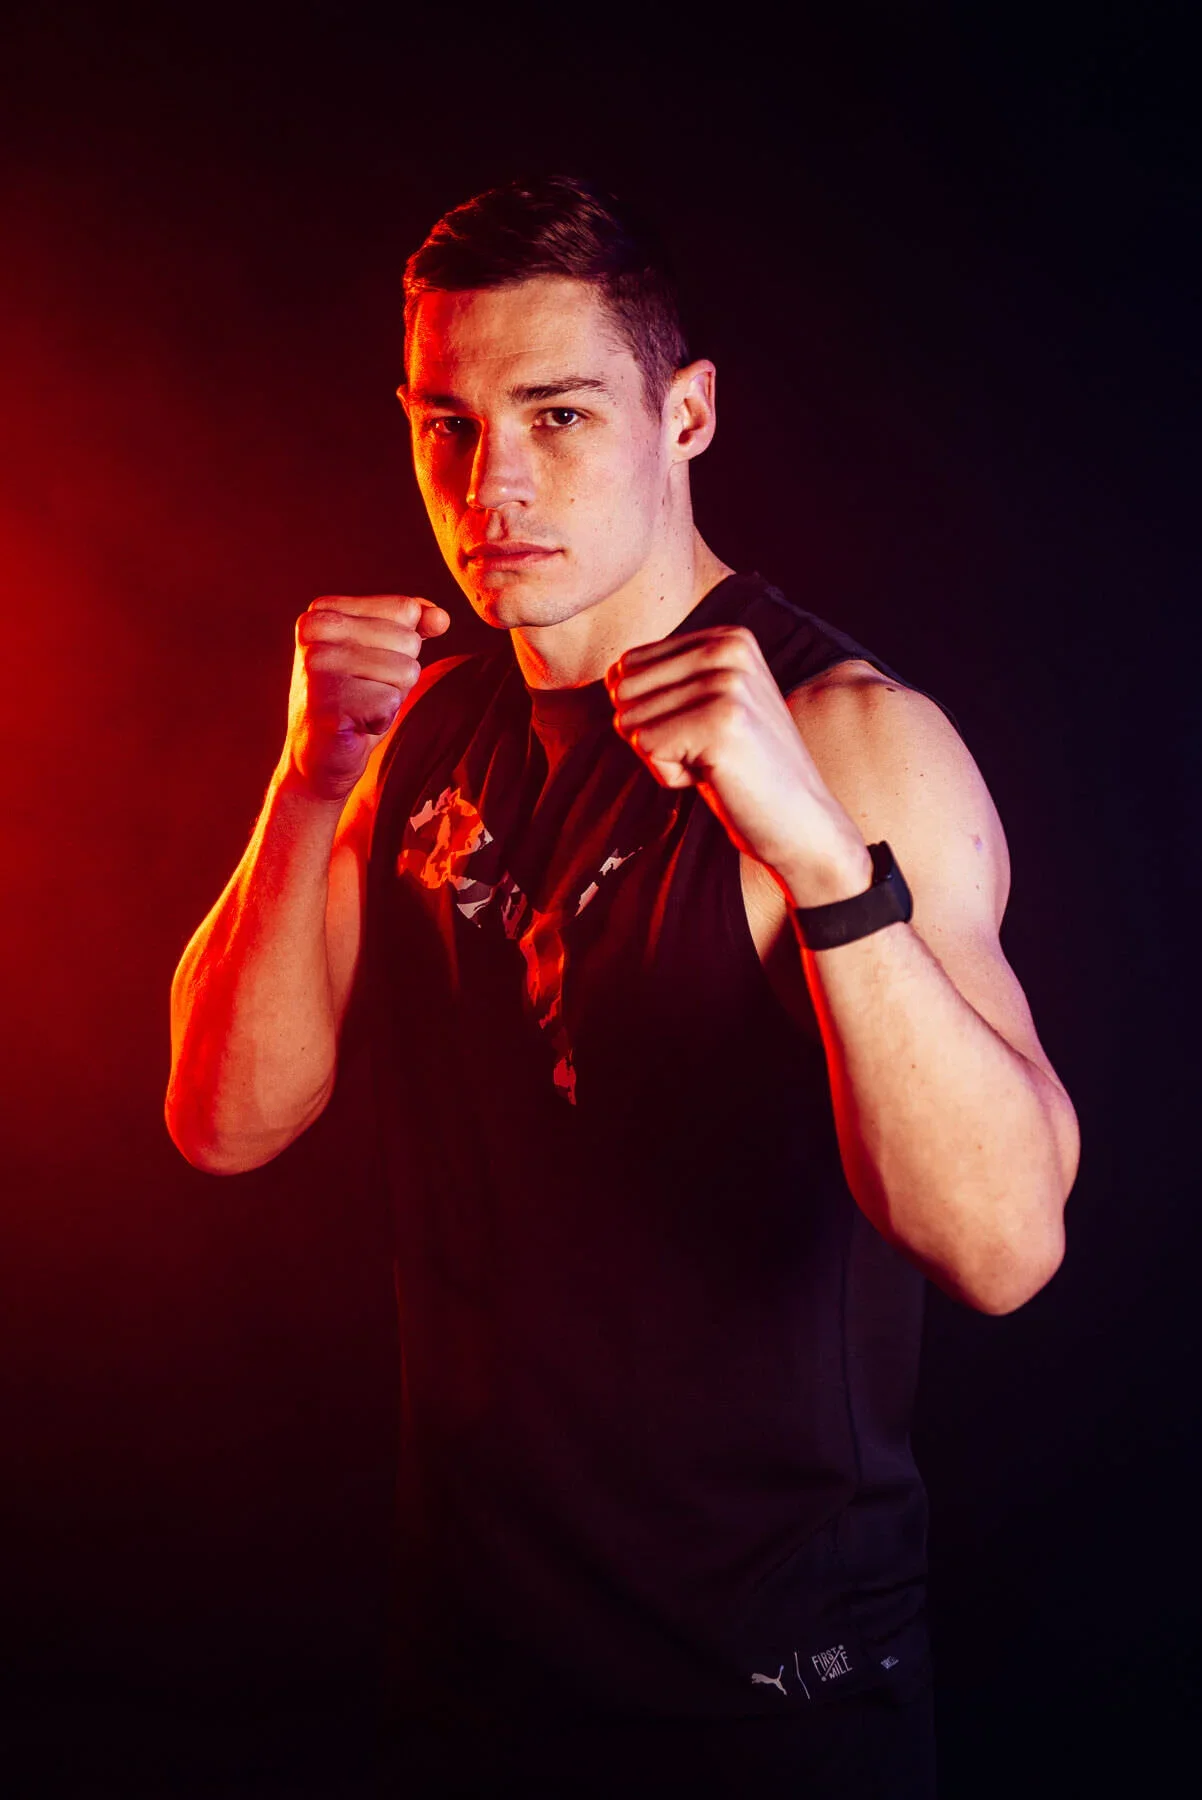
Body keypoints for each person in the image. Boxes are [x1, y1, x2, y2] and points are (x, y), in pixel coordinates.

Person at [166, 175, 1078, 1797]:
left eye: (559, 415)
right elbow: (226, 1124)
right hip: (468, 1671)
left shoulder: (850, 737)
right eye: (447, 427)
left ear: (687, 414)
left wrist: (817, 859)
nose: (492, 484)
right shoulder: (418, 729)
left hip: (770, 1701)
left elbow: (1002, 1248)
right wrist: (308, 788)